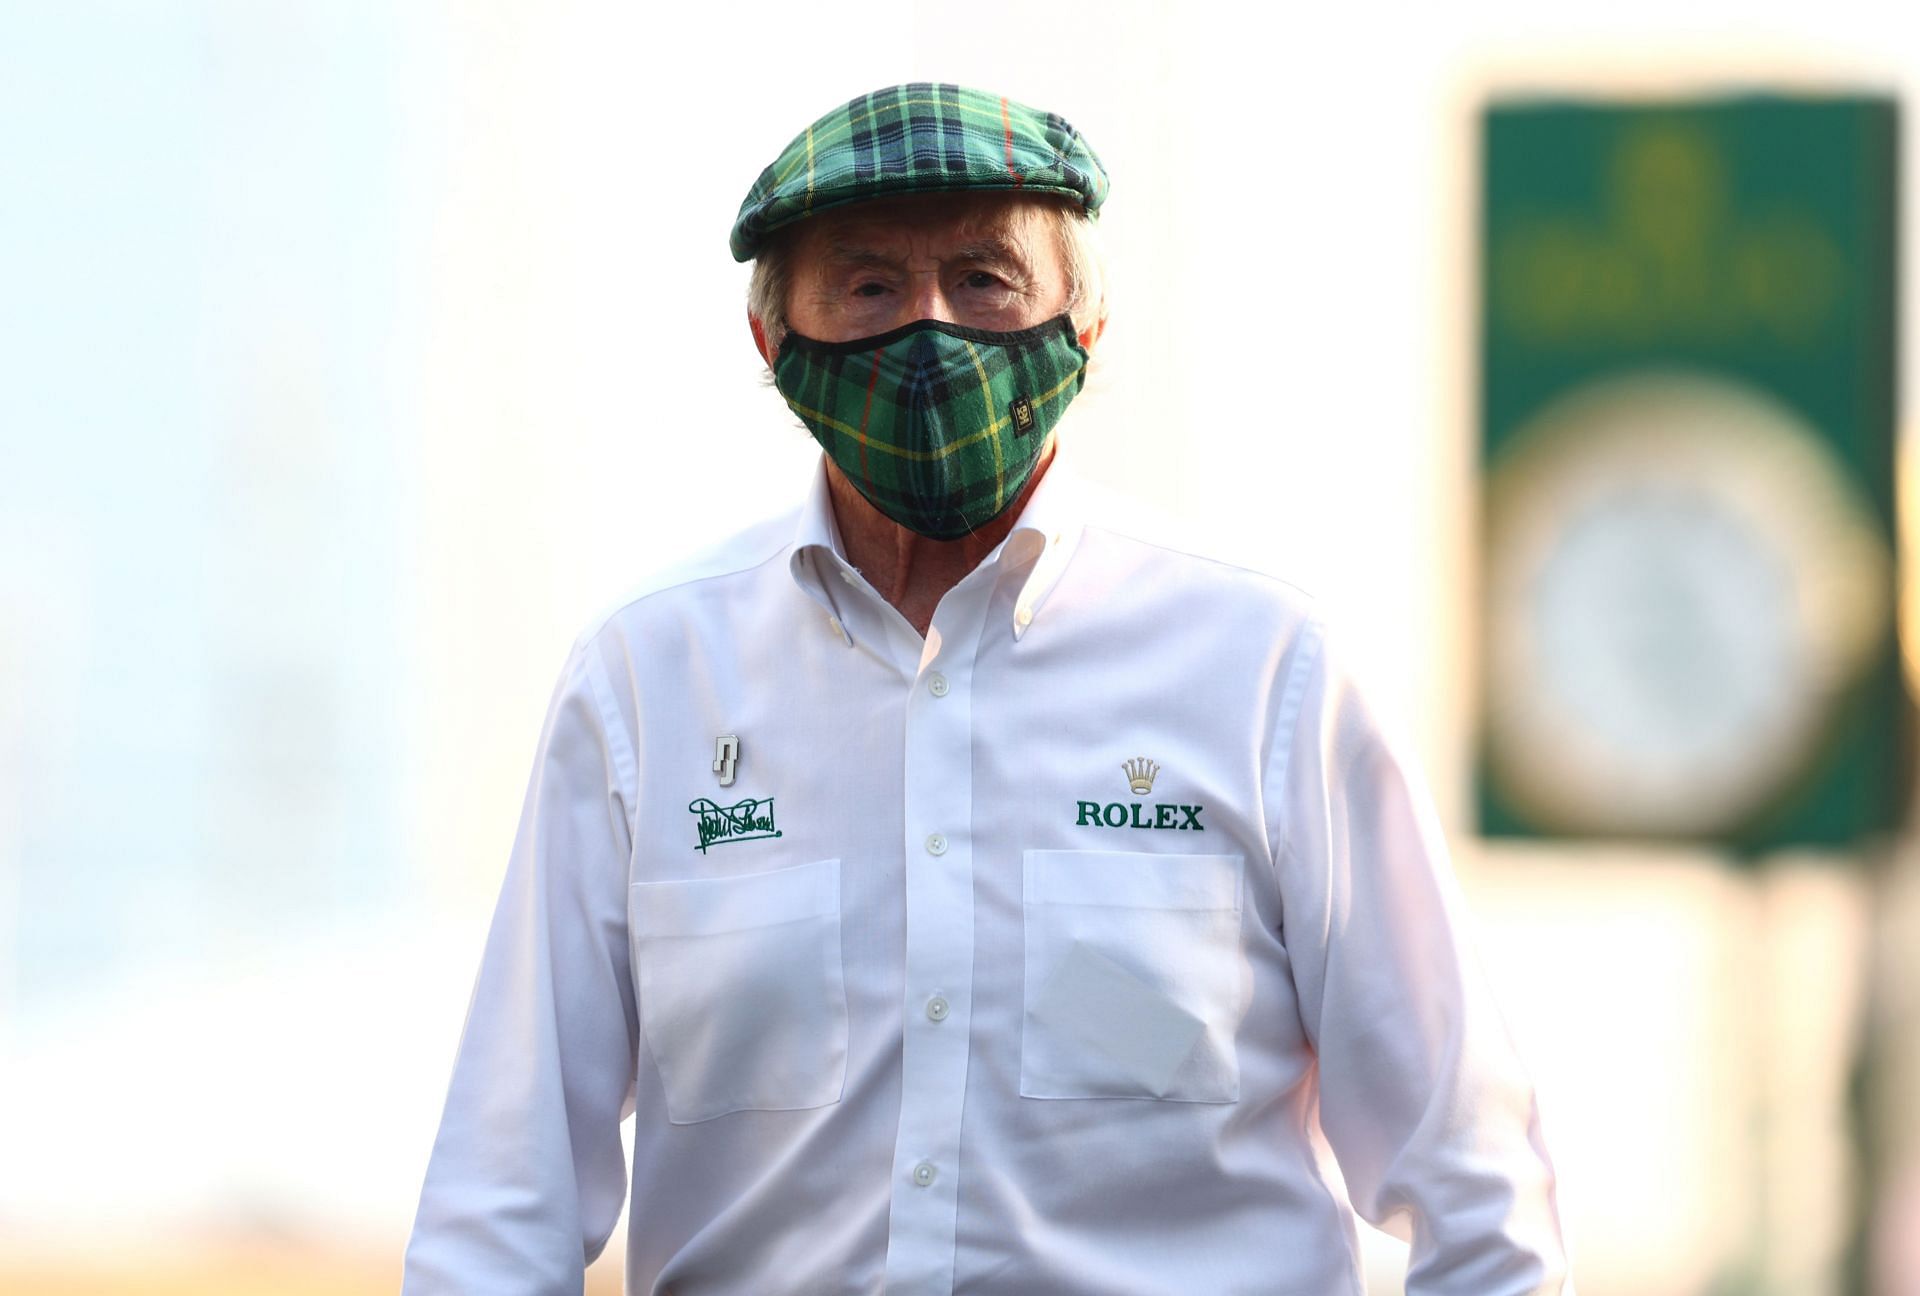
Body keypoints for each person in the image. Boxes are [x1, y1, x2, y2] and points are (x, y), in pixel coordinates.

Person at [403, 82, 1572, 1295]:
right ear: (773, 339)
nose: (930, 333)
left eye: (985, 279)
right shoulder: (650, 682)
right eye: (867, 286)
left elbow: (1477, 1189)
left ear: (1087, 319)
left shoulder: (1267, 668)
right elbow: (503, 1196)